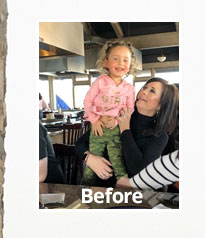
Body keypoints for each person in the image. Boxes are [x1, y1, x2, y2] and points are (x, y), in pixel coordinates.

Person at [76, 77, 178, 187]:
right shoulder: (115, 114)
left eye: (152, 91)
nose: (143, 92)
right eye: (144, 87)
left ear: (160, 105)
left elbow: (137, 170)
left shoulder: (159, 136)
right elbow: (81, 143)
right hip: (97, 188)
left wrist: (125, 129)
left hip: (127, 195)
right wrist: (89, 158)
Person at [81, 40, 136, 184]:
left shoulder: (129, 88)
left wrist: (117, 120)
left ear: (130, 66)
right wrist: (95, 120)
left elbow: (130, 110)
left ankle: (124, 194)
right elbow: (87, 102)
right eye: (115, 59)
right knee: (91, 167)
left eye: (125, 60)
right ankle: (83, 193)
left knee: (117, 162)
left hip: (115, 130)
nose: (120, 63)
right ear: (106, 62)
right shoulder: (100, 82)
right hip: (97, 129)